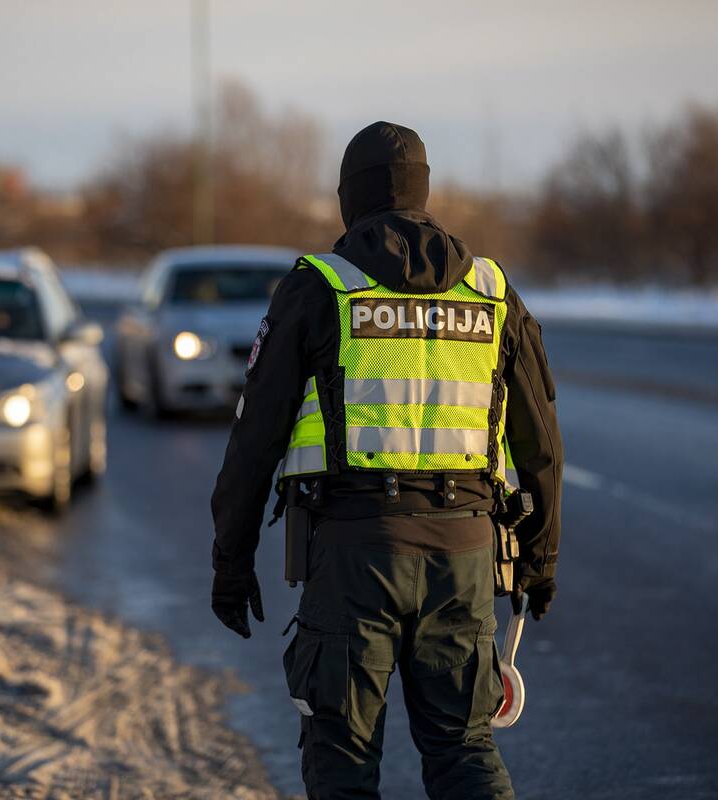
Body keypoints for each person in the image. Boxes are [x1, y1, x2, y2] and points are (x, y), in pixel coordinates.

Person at [210, 121, 563, 799]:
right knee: (464, 750)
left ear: (350, 197)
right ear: (423, 193)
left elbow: (254, 441)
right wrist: (539, 563)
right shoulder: (491, 294)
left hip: (350, 559)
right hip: (463, 555)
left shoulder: (320, 287)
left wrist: (231, 562)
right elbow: (541, 446)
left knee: (342, 765)